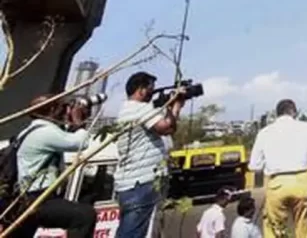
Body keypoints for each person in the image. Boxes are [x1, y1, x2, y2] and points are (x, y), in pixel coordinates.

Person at [8, 96, 97, 238]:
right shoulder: (45, 132)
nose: (65, 111)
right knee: (85, 216)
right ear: (52, 109)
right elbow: (80, 143)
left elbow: (64, 136)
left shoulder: (31, 130)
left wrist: (74, 123)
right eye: (62, 107)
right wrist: (78, 121)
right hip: (39, 198)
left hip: (24, 199)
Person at [115, 72, 184, 238]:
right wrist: (173, 107)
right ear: (141, 90)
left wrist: (171, 107)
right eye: (152, 89)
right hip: (140, 184)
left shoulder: (126, 109)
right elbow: (167, 128)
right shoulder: (140, 109)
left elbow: (164, 129)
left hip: (129, 183)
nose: (153, 94)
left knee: (131, 231)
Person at [249, 99, 307, 238]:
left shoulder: (264, 132)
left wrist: (270, 164)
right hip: (300, 182)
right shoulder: (305, 127)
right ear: (294, 112)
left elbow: (254, 165)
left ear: (277, 113)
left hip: (276, 184)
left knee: (274, 227)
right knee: (303, 225)